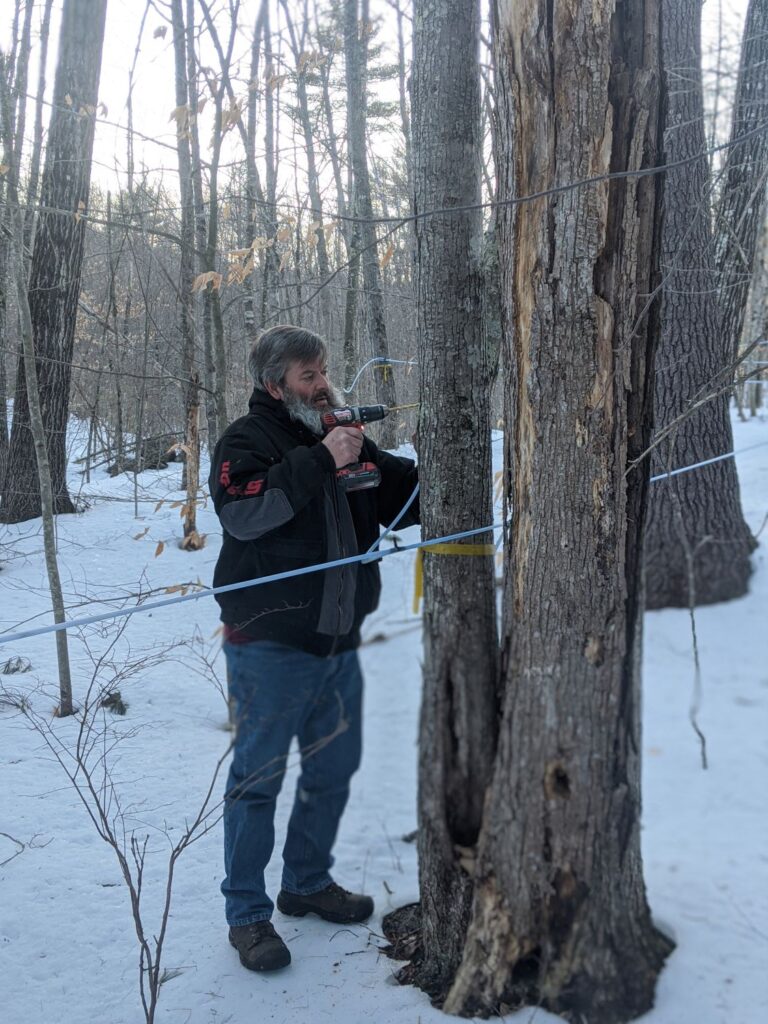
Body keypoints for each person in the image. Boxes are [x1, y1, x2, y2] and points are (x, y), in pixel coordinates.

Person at [209, 324, 419, 972]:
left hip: (338, 646)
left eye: (324, 370)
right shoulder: (248, 442)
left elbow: (398, 494)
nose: (323, 383)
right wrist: (324, 458)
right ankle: (247, 917)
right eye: (309, 375)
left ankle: (304, 881)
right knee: (257, 783)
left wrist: (464, 474)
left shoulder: (338, 436)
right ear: (275, 385)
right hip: (269, 647)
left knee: (332, 772)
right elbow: (245, 512)